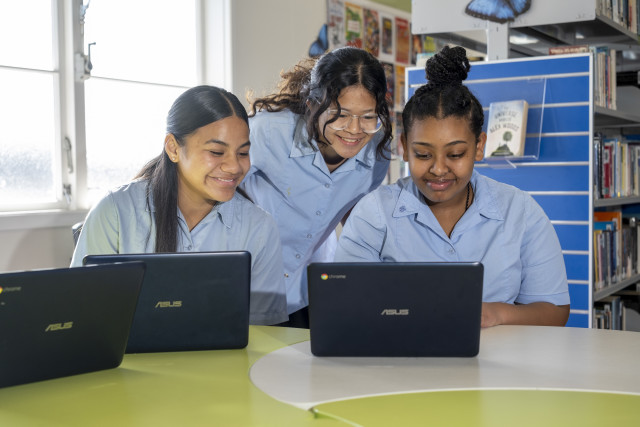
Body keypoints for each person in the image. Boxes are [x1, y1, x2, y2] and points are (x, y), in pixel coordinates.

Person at [334, 46, 570, 328]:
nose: (439, 169)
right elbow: (346, 304)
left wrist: (496, 314)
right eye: (423, 154)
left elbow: (555, 311)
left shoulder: (521, 211)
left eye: (456, 154)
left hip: (499, 356)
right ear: (405, 147)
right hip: (399, 354)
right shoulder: (373, 213)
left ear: (479, 146)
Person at [71, 85, 288, 326]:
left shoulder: (259, 227)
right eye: (217, 152)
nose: (234, 167)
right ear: (173, 148)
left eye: (243, 153)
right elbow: (83, 315)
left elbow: (264, 329)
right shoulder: (114, 211)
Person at [241, 47, 393, 327]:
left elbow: (356, 218)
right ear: (313, 105)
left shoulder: (377, 152)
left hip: (305, 291)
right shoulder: (269, 133)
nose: (355, 130)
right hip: (246, 286)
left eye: (368, 116)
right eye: (341, 114)